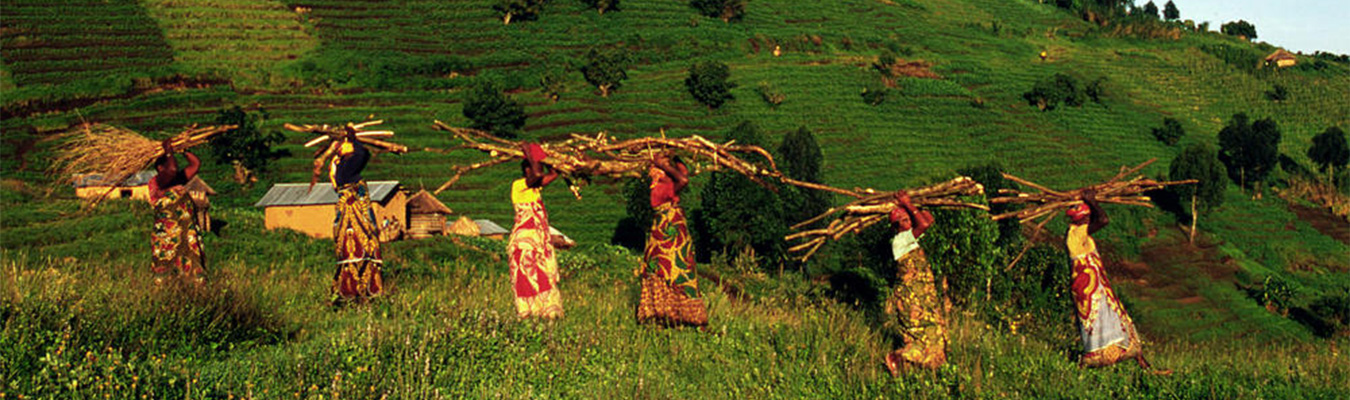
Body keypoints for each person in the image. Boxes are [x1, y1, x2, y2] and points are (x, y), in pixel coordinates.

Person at [1066, 191, 1167, 373]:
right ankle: (1087, 364)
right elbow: (1104, 220)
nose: (1089, 219)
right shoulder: (1076, 234)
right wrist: (1092, 201)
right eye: (1087, 216)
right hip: (1089, 288)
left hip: (1096, 285)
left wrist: (1091, 202)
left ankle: (1146, 367)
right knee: (1098, 321)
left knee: (1117, 319)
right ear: (1080, 219)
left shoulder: (1078, 232)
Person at [636, 154, 707, 326]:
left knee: (675, 267)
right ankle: (660, 312)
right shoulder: (660, 181)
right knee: (656, 266)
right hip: (660, 227)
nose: (651, 170)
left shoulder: (669, 183)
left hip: (671, 227)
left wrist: (665, 165)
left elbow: (683, 179)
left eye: (655, 167)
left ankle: (684, 313)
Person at [882, 192, 948, 375]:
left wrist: (918, 203)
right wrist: (908, 204)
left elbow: (929, 219)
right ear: (896, 227)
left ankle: (916, 366)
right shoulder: (901, 240)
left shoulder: (909, 237)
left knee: (933, 330)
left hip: (921, 295)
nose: (907, 223)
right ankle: (897, 359)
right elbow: (924, 224)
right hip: (911, 297)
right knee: (920, 332)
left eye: (907, 219)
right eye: (901, 221)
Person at [507, 143, 563, 319]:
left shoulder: (536, 188)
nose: (537, 172)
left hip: (538, 243)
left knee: (543, 277)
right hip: (524, 244)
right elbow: (538, 173)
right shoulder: (519, 186)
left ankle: (546, 315)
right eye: (533, 167)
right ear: (527, 171)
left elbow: (554, 173)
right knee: (527, 279)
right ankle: (529, 315)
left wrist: (545, 156)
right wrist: (529, 154)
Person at [330, 129, 384, 304]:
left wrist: (352, 138)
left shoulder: (340, 167)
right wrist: (353, 137)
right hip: (355, 211)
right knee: (365, 239)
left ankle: (351, 289)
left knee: (348, 246)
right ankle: (363, 288)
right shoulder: (346, 166)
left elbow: (361, 154)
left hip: (348, 211)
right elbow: (363, 153)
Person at [149, 139, 205, 285]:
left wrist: (183, 150)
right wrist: (168, 151)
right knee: (167, 258)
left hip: (185, 230)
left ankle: (194, 287)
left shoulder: (177, 179)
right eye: (169, 162)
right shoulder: (160, 180)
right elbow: (172, 169)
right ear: (161, 168)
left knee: (189, 257)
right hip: (168, 232)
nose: (174, 166)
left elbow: (195, 164)